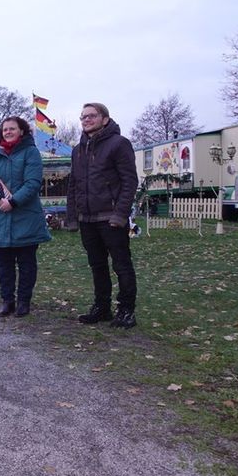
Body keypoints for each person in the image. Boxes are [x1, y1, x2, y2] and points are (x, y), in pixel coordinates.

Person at [66, 103, 138, 328]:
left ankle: (126, 310)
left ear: (105, 119)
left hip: (111, 218)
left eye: (92, 116)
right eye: (83, 117)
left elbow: (129, 182)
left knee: (121, 265)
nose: (86, 120)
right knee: (97, 265)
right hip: (88, 219)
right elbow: (73, 185)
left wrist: (120, 214)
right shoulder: (78, 150)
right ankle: (102, 307)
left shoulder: (119, 144)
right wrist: (72, 216)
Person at [0, 116, 51, 317]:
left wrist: (13, 201)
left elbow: (33, 183)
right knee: (4, 264)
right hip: (0, 217)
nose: (8, 132)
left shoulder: (31, 153)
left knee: (27, 264)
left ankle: (23, 301)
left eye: (12, 129)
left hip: (25, 218)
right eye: (5, 130)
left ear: (22, 131)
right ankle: (7, 300)